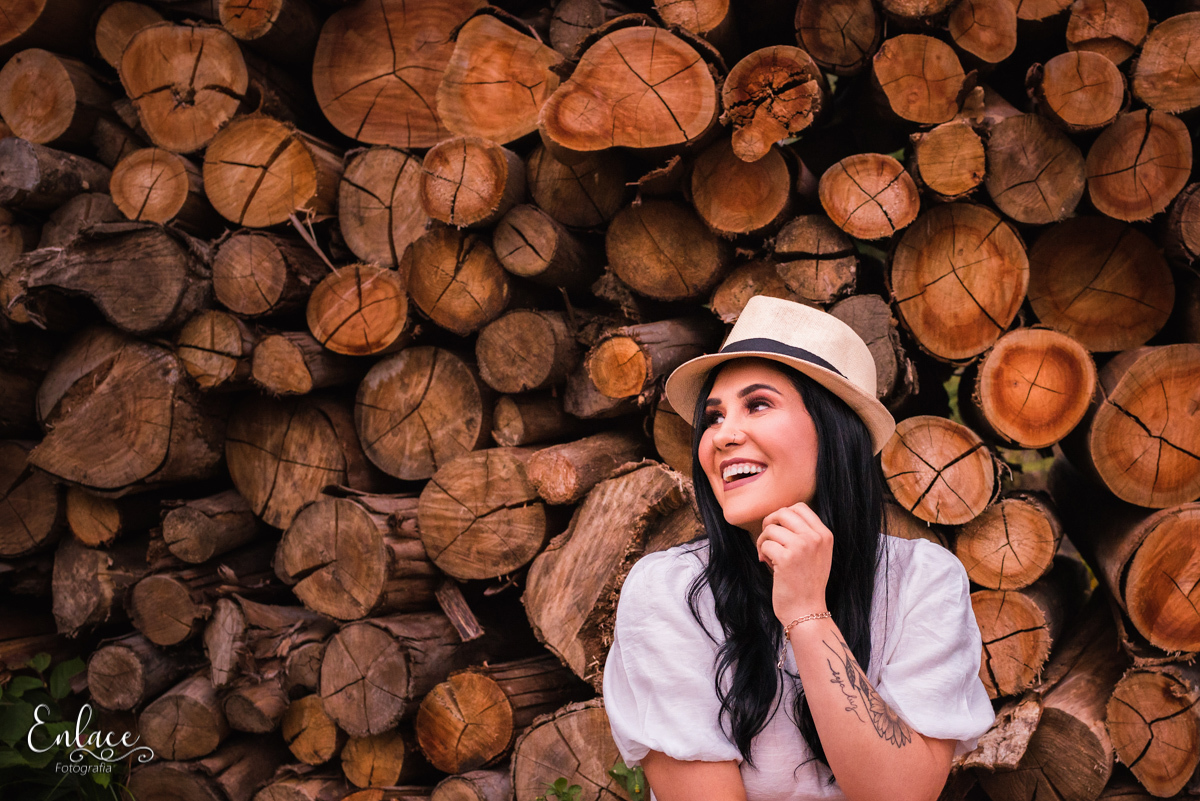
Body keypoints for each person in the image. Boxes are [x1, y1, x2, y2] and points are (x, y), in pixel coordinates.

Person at [602, 296, 995, 801]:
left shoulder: (923, 581)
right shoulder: (669, 592)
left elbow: (899, 793)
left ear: (834, 431)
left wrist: (808, 614)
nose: (722, 435)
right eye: (714, 416)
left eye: (758, 404)